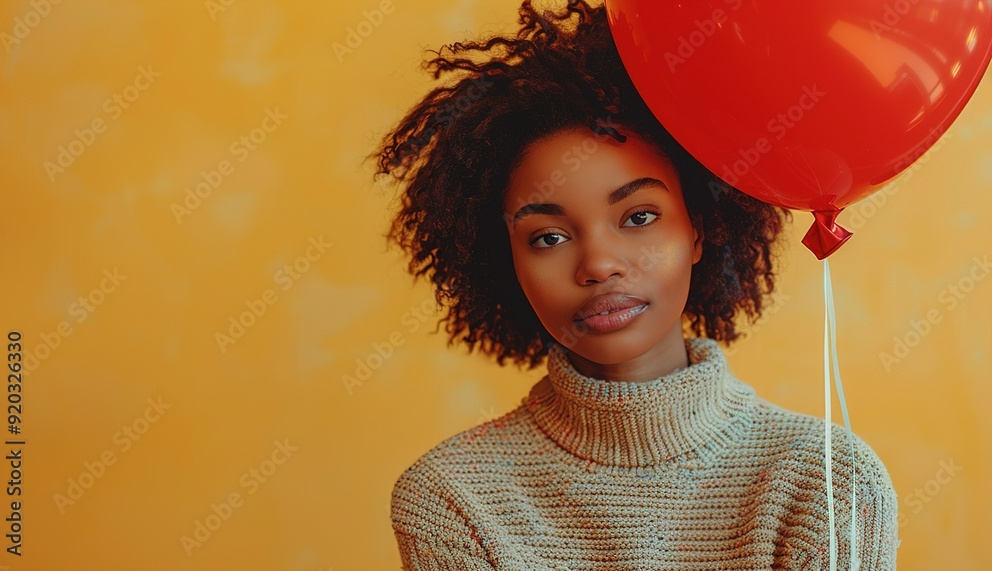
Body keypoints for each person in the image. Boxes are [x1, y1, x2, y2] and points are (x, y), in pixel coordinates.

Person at [369, 1, 900, 569]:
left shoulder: (825, 485)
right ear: (508, 264)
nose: (598, 264)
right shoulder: (452, 501)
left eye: (639, 217)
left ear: (699, 228)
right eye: (547, 237)